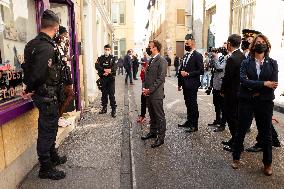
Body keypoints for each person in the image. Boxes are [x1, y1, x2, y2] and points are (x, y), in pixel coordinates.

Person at [21, 9, 66, 180]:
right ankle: (45, 167)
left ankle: (52, 155)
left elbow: (28, 70)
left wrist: (28, 89)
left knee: (52, 127)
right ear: (55, 28)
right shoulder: (46, 47)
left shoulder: (31, 44)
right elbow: (39, 74)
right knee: (47, 130)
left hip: (45, 95)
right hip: (47, 96)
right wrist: (30, 88)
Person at [232, 34, 278, 176]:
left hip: (264, 102)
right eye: (257, 42)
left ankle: (268, 163)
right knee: (241, 130)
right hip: (247, 101)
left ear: (267, 45)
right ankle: (236, 157)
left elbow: (274, 84)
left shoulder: (272, 63)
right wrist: (264, 83)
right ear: (253, 46)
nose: (260, 44)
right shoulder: (246, 63)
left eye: (263, 42)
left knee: (266, 133)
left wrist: (253, 84)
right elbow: (243, 81)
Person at [221, 34, 245, 152]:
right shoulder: (242, 56)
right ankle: (234, 139)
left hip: (231, 93)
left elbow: (227, 78)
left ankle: (237, 144)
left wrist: (222, 90)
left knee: (231, 118)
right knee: (235, 117)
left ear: (229, 44)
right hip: (239, 92)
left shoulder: (232, 58)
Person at [141, 40, 167, 148]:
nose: (148, 48)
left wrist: (149, 90)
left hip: (156, 94)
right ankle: (153, 132)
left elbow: (160, 79)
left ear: (155, 48)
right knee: (152, 115)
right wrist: (145, 89)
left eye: (149, 47)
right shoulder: (151, 60)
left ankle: (160, 138)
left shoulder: (161, 61)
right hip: (148, 93)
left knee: (159, 116)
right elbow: (148, 76)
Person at [178, 34, 204, 133]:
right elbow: (181, 70)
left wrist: (188, 74)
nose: (186, 45)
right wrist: (179, 83)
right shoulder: (185, 55)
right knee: (187, 103)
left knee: (193, 104)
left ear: (192, 44)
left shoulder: (198, 55)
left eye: (187, 44)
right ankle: (189, 121)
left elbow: (201, 70)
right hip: (185, 84)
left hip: (192, 84)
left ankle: (194, 125)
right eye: (185, 43)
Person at [53, 26, 74, 127]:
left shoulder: (60, 46)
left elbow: (64, 57)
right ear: (59, 34)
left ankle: (59, 117)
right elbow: (58, 60)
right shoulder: (54, 46)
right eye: (64, 34)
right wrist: (65, 58)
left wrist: (66, 51)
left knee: (68, 95)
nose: (66, 36)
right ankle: (58, 118)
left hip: (64, 75)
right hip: (59, 77)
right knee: (66, 95)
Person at [208, 43, 228, 132]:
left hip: (222, 85)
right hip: (216, 84)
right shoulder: (221, 57)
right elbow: (212, 66)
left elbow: (220, 68)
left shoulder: (228, 58)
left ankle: (222, 124)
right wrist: (212, 57)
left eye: (224, 47)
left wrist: (215, 57)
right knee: (216, 104)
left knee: (223, 105)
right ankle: (217, 120)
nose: (222, 49)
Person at [95, 44, 117, 117]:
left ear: (110, 50)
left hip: (111, 79)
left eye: (108, 49)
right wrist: (104, 70)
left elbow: (115, 66)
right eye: (105, 49)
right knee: (104, 94)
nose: (106, 51)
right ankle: (104, 108)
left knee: (111, 94)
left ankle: (113, 110)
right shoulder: (100, 58)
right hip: (103, 79)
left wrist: (109, 71)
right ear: (104, 49)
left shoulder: (113, 58)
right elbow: (97, 66)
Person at [137, 55, 149, 123]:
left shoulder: (150, 66)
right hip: (144, 87)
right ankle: (142, 116)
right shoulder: (143, 68)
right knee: (143, 102)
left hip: (150, 88)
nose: (142, 66)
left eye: (143, 64)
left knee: (151, 104)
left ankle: (153, 119)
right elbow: (142, 78)